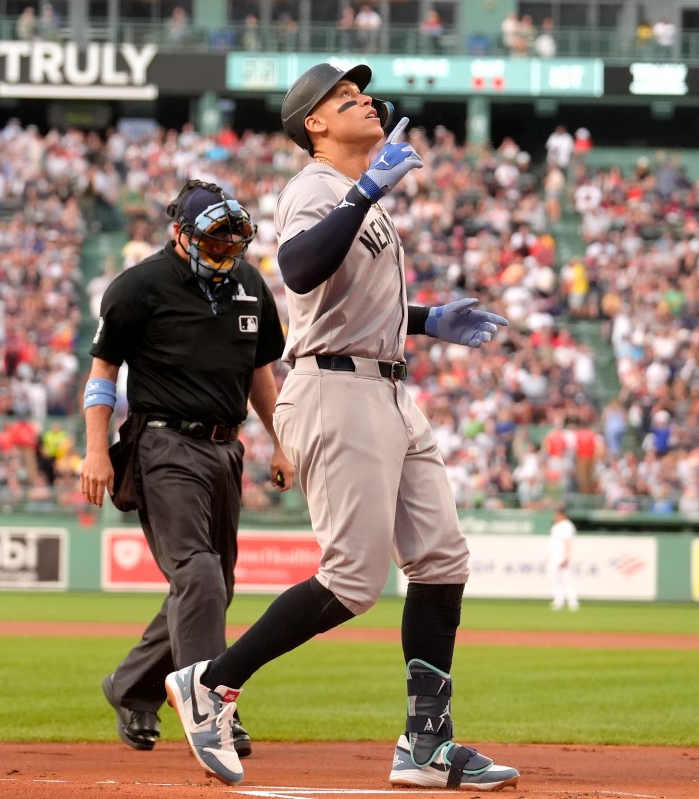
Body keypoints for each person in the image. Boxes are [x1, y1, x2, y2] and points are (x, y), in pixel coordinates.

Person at [161, 62, 520, 791]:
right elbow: (296, 268)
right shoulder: (315, 186)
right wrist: (363, 191)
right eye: (345, 98)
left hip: (386, 387)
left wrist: (427, 320)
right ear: (315, 124)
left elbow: (342, 301)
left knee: (443, 560)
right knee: (354, 580)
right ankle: (212, 683)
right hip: (334, 388)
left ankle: (425, 743)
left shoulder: (365, 200)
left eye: (364, 94)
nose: (365, 102)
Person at [79, 179, 292, 756]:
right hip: (163, 443)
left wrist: (281, 441)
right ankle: (209, 705)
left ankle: (131, 686)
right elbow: (102, 373)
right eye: (214, 241)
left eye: (233, 242)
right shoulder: (138, 287)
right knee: (197, 575)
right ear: (181, 234)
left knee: (212, 588)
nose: (226, 252)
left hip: (227, 449)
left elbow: (259, 374)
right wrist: (97, 450)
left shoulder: (249, 284)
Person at [548, 505, 579, 611]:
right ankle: (558, 601)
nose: (554, 516)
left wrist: (566, 557)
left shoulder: (567, 525)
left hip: (561, 554)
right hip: (554, 554)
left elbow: (568, 542)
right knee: (555, 579)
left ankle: (572, 602)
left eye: (556, 514)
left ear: (561, 514)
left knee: (567, 579)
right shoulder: (557, 525)